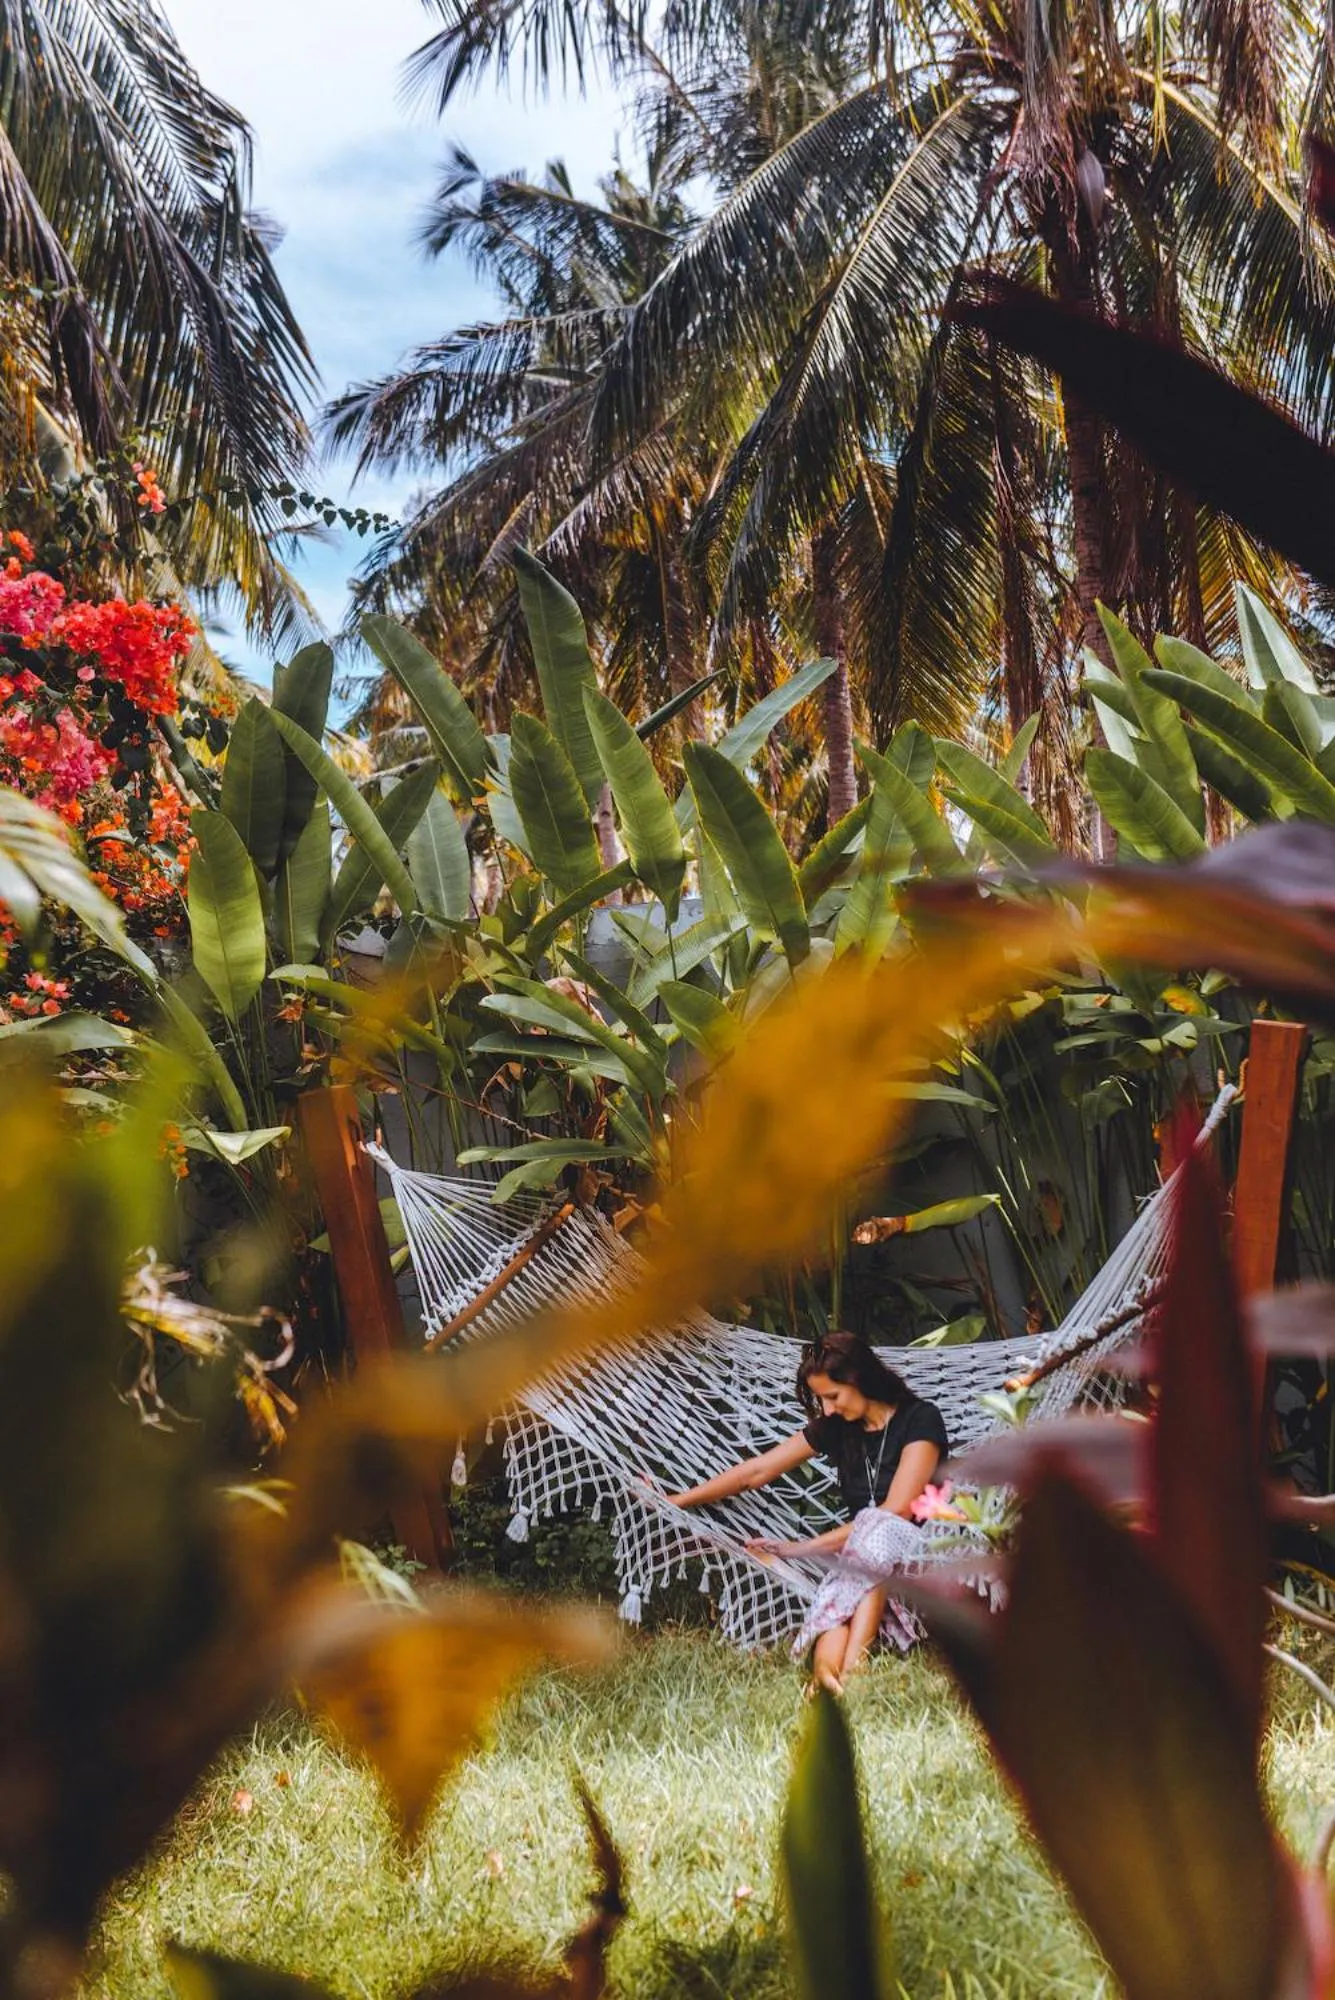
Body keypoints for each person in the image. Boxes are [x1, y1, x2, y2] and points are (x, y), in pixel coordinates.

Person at [661, 1332, 949, 1694]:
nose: (827, 1409)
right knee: (843, 1593)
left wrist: (803, 1548)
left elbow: (897, 1512)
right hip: (864, 1558)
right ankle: (826, 1681)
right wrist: (679, 1500)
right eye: (820, 1399)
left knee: (871, 1538)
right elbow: (757, 1471)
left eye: (832, 1396)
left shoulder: (920, 1420)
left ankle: (855, 1672)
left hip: (920, 1550)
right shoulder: (838, 1428)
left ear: (860, 1379)